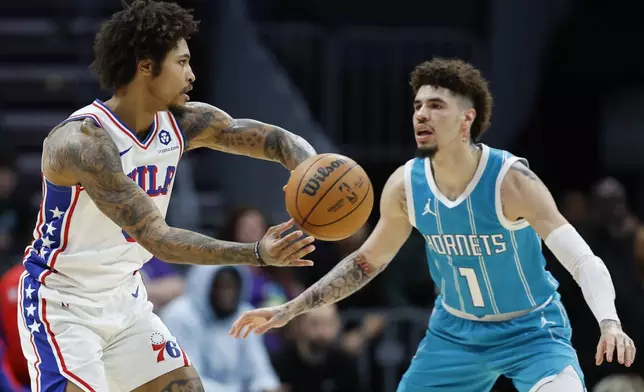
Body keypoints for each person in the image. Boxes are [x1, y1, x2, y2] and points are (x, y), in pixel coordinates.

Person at [229, 58, 637, 392]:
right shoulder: (405, 185)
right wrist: (292, 308)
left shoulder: (511, 181)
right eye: (418, 105)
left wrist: (610, 323)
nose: (421, 114)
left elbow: (583, 260)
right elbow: (365, 262)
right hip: (455, 331)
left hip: (531, 328)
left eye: (436, 105)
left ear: (467, 120)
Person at [17, 1, 318, 391]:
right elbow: (159, 239)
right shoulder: (83, 143)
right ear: (146, 66)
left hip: (125, 298)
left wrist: (316, 167)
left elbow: (276, 140)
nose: (192, 75)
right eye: (182, 62)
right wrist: (256, 253)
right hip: (63, 304)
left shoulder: (184, 122)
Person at [161, 265, 280, 392]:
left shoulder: (245, 314)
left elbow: (260, 370)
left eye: (233, 287)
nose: (227, 294)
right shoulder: (179, 316)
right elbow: (186, 381)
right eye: (220, 287)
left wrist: (268, 387)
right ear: (204, 286)